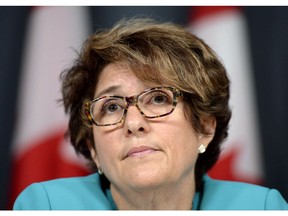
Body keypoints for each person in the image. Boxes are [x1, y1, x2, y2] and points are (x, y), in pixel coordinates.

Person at [13, 18, 288, 210]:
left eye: (158, 98)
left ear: (204, 126)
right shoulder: (47, 206)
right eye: (111, 106)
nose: (133, 123)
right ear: (92, 147)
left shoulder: (261, 207)